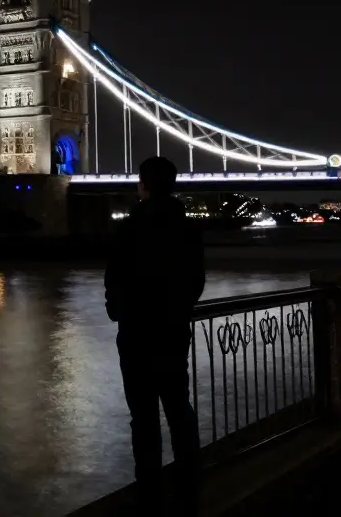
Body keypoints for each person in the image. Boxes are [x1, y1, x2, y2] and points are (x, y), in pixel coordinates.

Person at [104, 156, 205, 516]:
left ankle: (149, 493)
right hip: (174, 331)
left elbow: (113, 281)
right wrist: (177, 309)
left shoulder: (128, 231)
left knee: (143, 417)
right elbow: (196, 282)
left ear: (142, 186)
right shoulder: (188, 231)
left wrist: (120, 311)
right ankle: (189, 485)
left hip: (135, 334)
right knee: (179, 408)